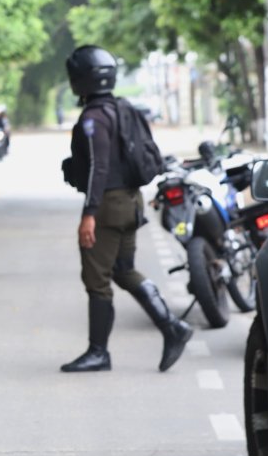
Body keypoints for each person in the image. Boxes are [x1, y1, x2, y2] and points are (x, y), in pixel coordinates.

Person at [60, 44, 192, 373]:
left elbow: (98, 169)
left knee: (97, 280)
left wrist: (88, 214)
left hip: (107, 206)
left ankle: (98, 352)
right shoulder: (123, 108)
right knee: (122, 270)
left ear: (81, 80)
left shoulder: (93, 119)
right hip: (132, 203)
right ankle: (172, 327)